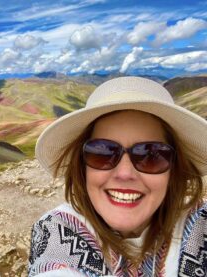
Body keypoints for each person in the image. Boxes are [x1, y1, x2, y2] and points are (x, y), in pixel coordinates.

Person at [29, 76, 207, 276]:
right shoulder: (56, 231)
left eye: (151, 155)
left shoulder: (200, 225)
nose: (124, 173)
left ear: (173, 170)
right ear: (82, 167)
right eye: (102, 153)